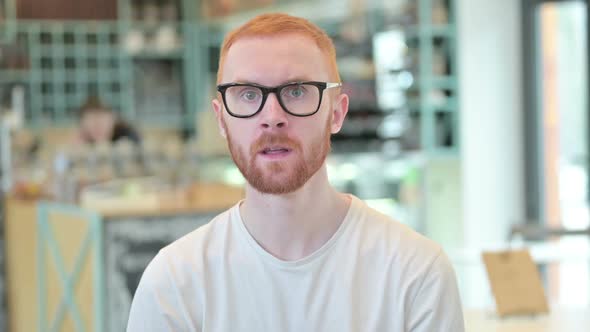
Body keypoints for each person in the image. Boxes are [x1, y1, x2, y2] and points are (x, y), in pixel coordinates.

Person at [127, 13, 464, 332]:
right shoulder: (173, 284)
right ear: (221, 119)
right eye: (247, 95)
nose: (272, 116)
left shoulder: (416, 273)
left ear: (336, 112)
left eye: (297, 91)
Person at [73, 96, 140, 145]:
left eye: (102, 122)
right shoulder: (83, 141)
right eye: (93, 123)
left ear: (113, 120)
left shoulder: (127, 134)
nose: (98, 127)